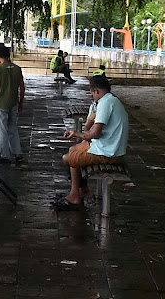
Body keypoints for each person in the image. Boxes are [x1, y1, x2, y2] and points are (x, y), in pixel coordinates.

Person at [54, 75, 128, 210]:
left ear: (97, 91)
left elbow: (95, 133)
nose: (91, 95)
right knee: (72, 150)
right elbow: (90, 131)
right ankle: (81, 190)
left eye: (92, 92)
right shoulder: (110, 100)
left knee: (70, 158)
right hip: (108, 147)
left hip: (109, 152)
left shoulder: (105, 103)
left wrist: (76, 133)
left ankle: (74, 196)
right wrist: (87, 123)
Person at [0, 45, 25, 163]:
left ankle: (5, 154)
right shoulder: (17, 69)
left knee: (1, 129)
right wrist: (20, 103)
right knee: (12, 127)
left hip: (0, 103)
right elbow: (22, 88)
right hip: (13, 102)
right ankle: (17, 152)